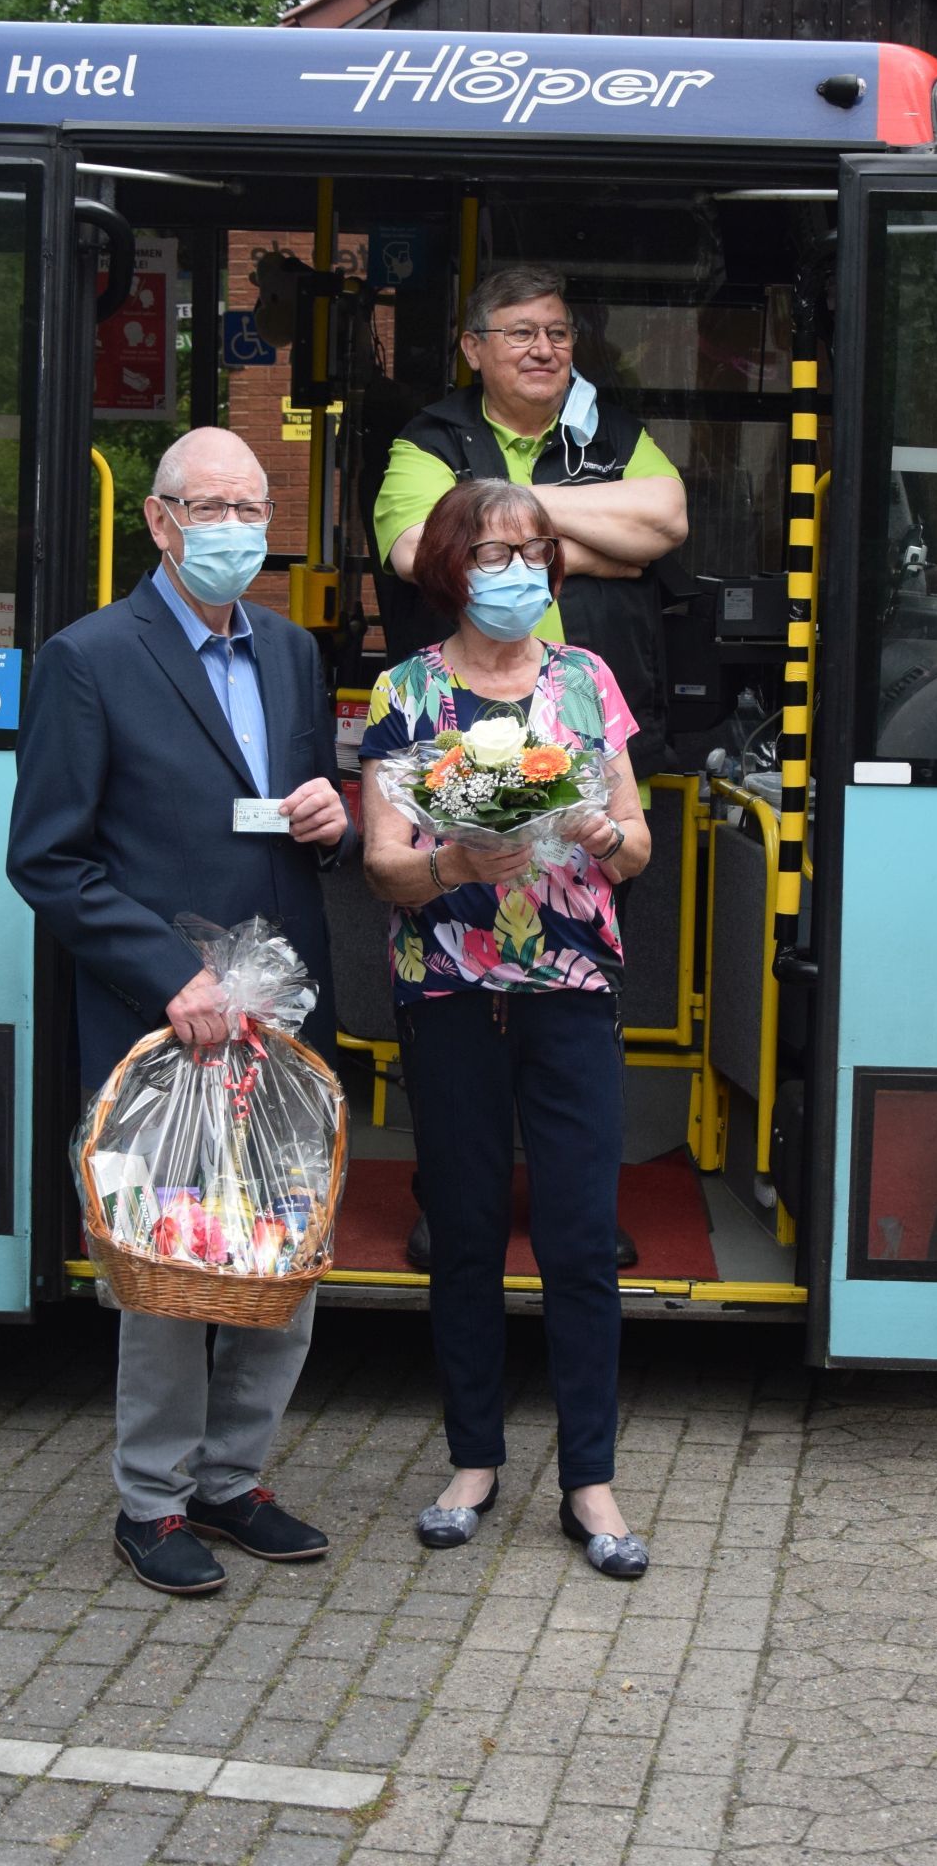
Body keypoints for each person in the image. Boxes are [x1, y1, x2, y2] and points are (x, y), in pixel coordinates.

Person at [7, 425, 352, 1596]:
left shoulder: (296, 652)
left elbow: (296, 814)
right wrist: (171, 974)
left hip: (283, 1022)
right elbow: (49, 861)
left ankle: (233, 1479)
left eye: (252, 505)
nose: (234, 528)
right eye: (209, 506)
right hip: (168, 1026)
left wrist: (333, 818)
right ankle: (151, 1498)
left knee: (279, 1259)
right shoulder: (89, 656)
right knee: (170, 1267)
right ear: (157, 522)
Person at [359, 478, 655, 1579]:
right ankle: (472, 1461)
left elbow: (637, 840)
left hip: (572, 992)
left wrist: (603, 834)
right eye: (492, 552)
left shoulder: (587, 682)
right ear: (450, 566)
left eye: (533, 550)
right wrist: (455, 864)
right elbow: (384, 864)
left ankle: (591, 1479)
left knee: (581, 1238)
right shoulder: (406, 691)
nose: (516, 570)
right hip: (449, 995)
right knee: (467, 1237)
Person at [374, 262, 687, 1270]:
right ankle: (450, 1199)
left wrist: (514, 516)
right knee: (457, 988)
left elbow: (669, 525)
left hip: (581, 735)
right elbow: (426, 549)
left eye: (558, 331)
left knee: (580, 981)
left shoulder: (608, 429)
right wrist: (593, 533)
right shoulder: (427, 438)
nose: (545, 348)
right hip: (467, 734)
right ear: (474, 348)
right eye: (520, 331)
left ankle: (576, 1207)